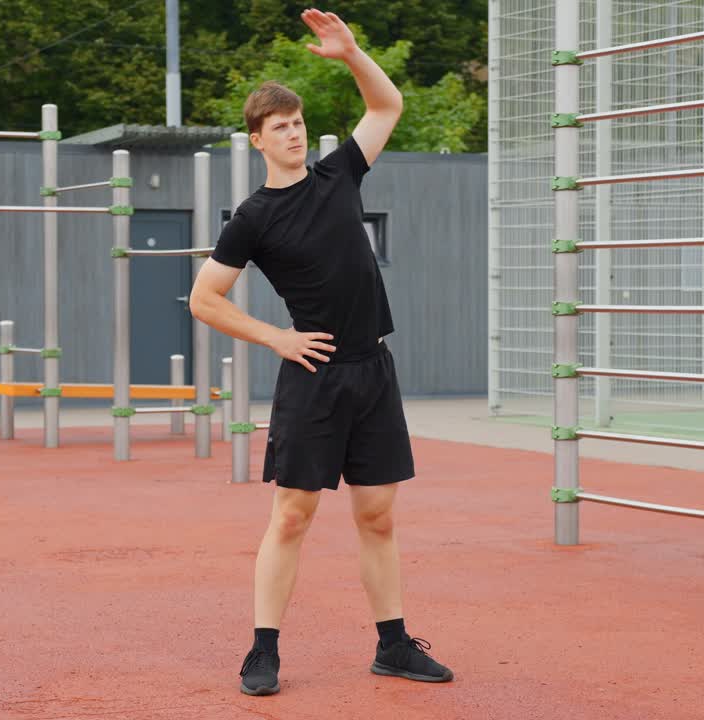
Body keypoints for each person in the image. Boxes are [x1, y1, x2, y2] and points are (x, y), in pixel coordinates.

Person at [188, 8, 454, 697]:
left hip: (373, 370)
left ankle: (393, 645)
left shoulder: (339, 175)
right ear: (257, 140)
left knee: (378, 515)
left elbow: (387, 103)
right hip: (313, 377)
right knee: (293, 516)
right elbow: (205, 298)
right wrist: (275, 337)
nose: (295, 132)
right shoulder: (251, 218)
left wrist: (353, 53)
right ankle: (262, 651)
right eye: (280, 126)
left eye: (298, 122)